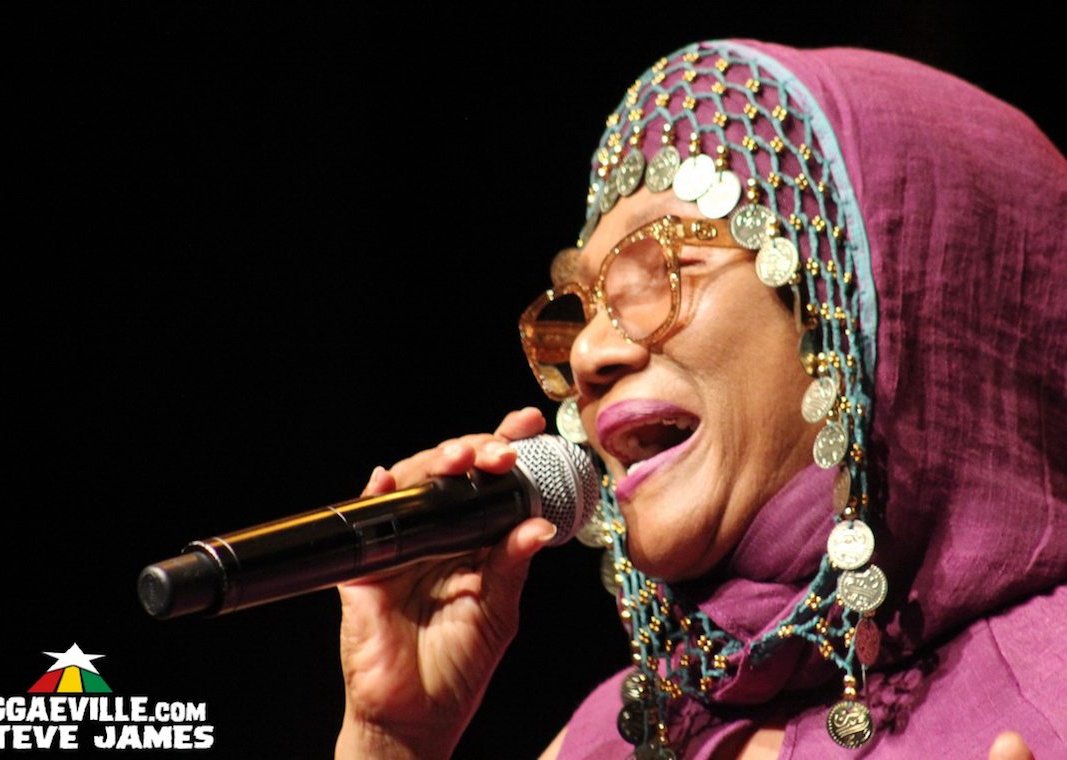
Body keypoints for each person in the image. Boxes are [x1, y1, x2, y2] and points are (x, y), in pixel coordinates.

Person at [333, 40, 1065, 759]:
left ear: (859, 311)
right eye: (585, 308)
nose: (589, 353)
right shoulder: (602, 741)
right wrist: (391, 742)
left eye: (668, 269)